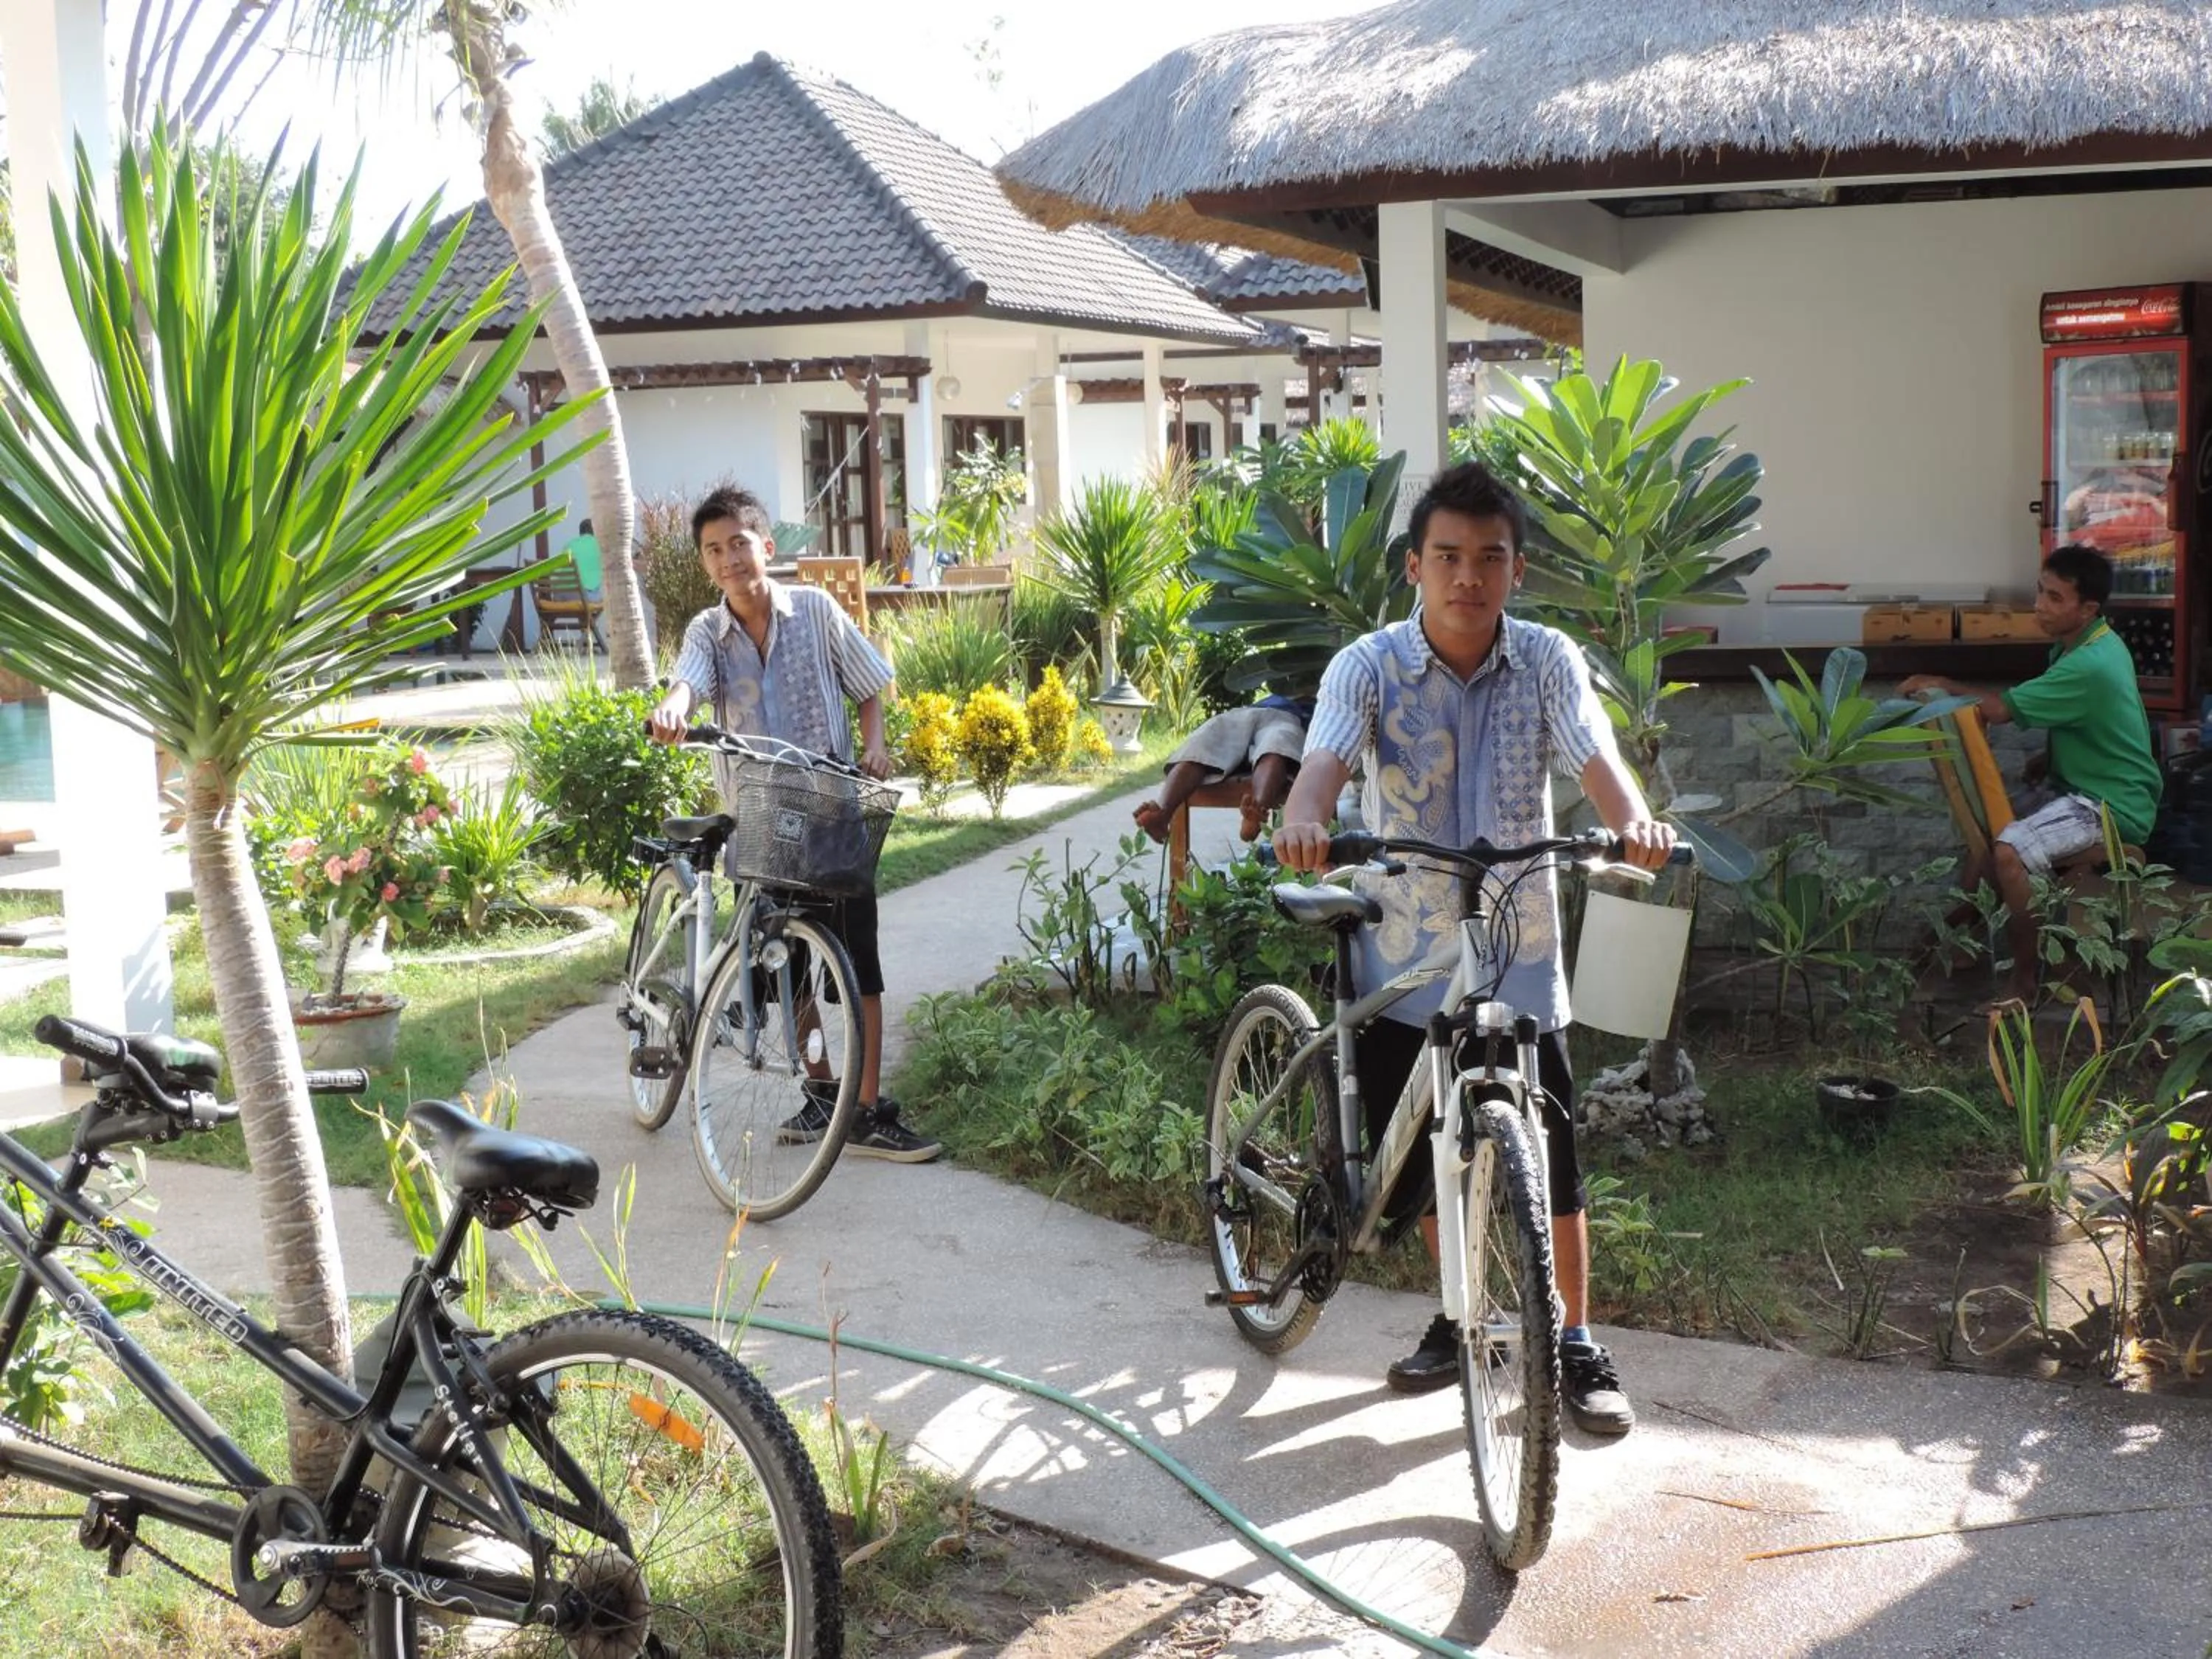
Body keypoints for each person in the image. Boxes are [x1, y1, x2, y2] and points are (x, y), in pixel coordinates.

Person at [1272, 460, 1674, 1436]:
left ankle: (1574, 1339)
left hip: (1517, 945)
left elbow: (1595, 753)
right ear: (1415, 565)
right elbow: (1325, 755)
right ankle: (1463, 1314)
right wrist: (1305, 808)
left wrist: (1633, 820)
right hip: (1403, 951)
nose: (1468, 577)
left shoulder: (1544, 659)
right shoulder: (1367, 664)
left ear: (1517, 569)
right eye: (1447, 556)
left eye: (1488, 557)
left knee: (1553, 1148)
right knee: (1414, 1158)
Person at [648, 485, 941, 1163]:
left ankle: (865, 1109)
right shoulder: (706, 632)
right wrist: (671, 708)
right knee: (789, 962)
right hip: (761, 814)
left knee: (859, 960)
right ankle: (821, 1092)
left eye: (739, 544)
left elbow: (868, 684)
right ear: (705, 563)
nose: (728, 559)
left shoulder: (814, 610)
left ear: (766, 547)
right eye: (713, 551)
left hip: (832, 804)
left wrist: (874, 744)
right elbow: (687, 682)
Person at [1901, 543, 2163, 1010]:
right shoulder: (2090, 642)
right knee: (1987, 840)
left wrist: (1939, 683)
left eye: (2055, 598)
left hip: (2111, 806)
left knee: (2009, 853)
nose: (2040, 605)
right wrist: (2051, 760)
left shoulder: (2088, 663)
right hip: (2090, 789)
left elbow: (1999, 710)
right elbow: (2095, 720)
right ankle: (1957, 940)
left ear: (2088, 609)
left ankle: (2026, 981)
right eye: (2040, 591)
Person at [1133, 695, 1312, 844]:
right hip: (1245, 712)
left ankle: (1256, 811)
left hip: (1289, 716)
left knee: (1276, 745)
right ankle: (1162, 814)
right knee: (1202, 745)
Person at [565, 518, 605, 652]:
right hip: (583, 598)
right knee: (597, 596)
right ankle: (586, 640)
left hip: (562, 596)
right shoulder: (599, 545)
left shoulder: (569, 544)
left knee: (584, 593)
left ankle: (585, 643)